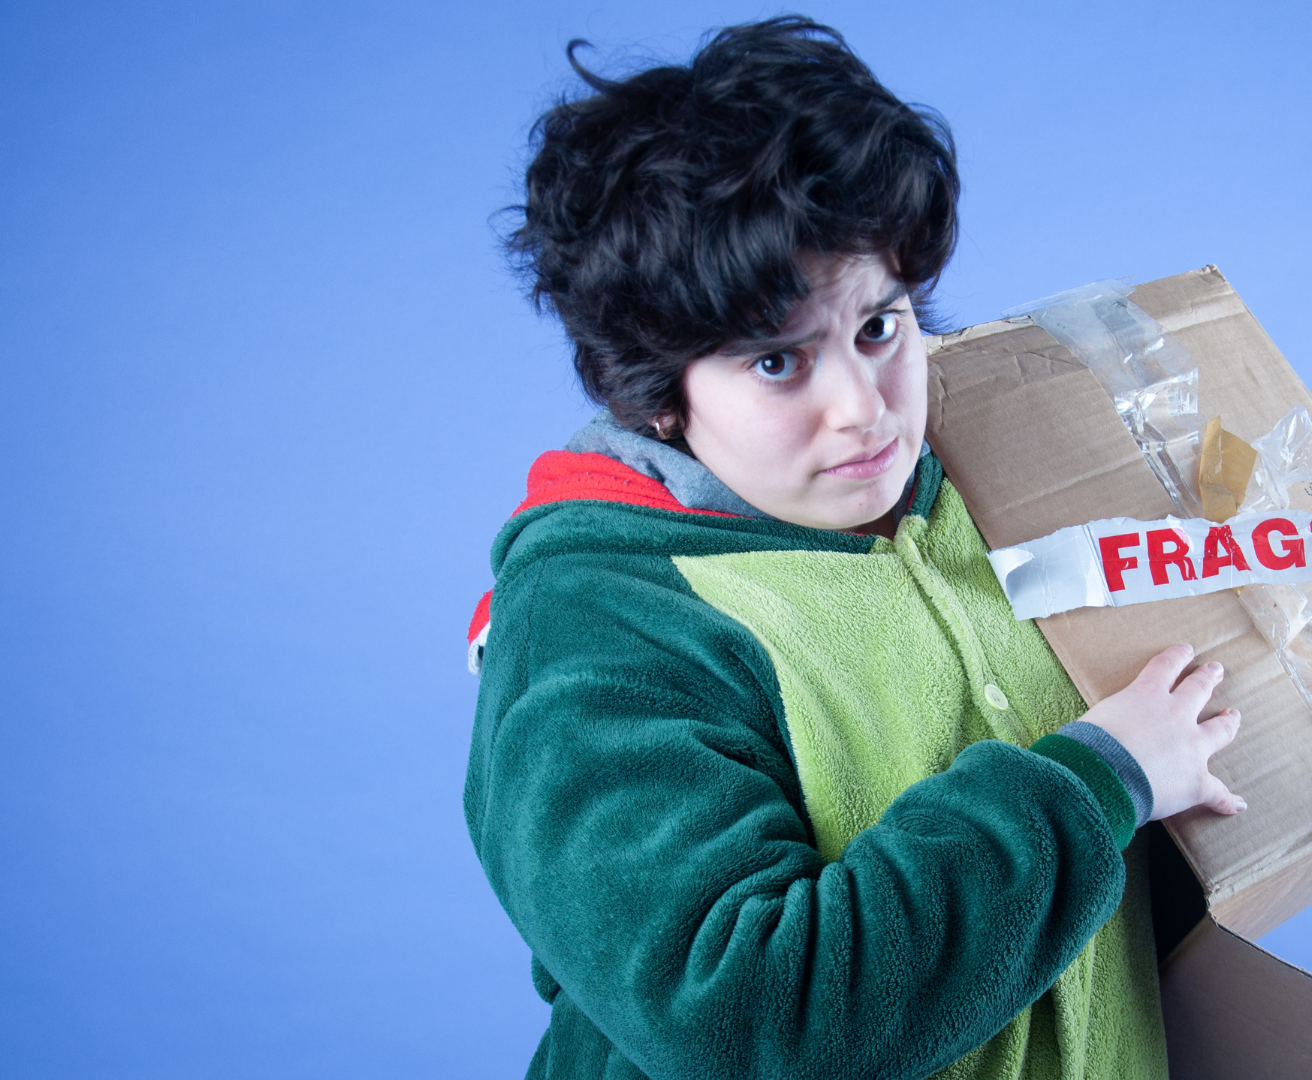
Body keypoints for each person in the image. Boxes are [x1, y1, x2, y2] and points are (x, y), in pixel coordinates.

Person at [464, 17, 1245, 1080]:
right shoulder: (597, 631)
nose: (862, 411)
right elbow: (749, 1019)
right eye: (780, 362)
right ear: (655, 393)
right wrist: (1098, 780)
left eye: (879, 328)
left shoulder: (974, 483)